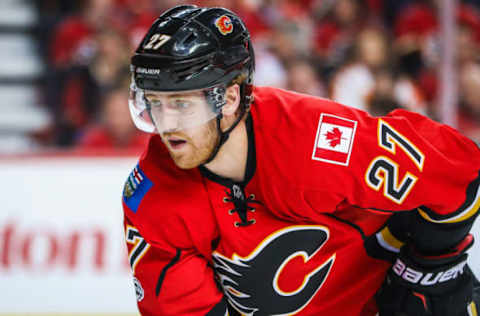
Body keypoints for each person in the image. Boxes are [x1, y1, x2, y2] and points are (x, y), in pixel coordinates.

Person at [121, 5, 480, 316]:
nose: (166, 124)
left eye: (181, 104)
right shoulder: (153, 195)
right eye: (155, 102)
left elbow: (457, 168)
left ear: (228, 99)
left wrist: (428, 269)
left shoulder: (312, 140)